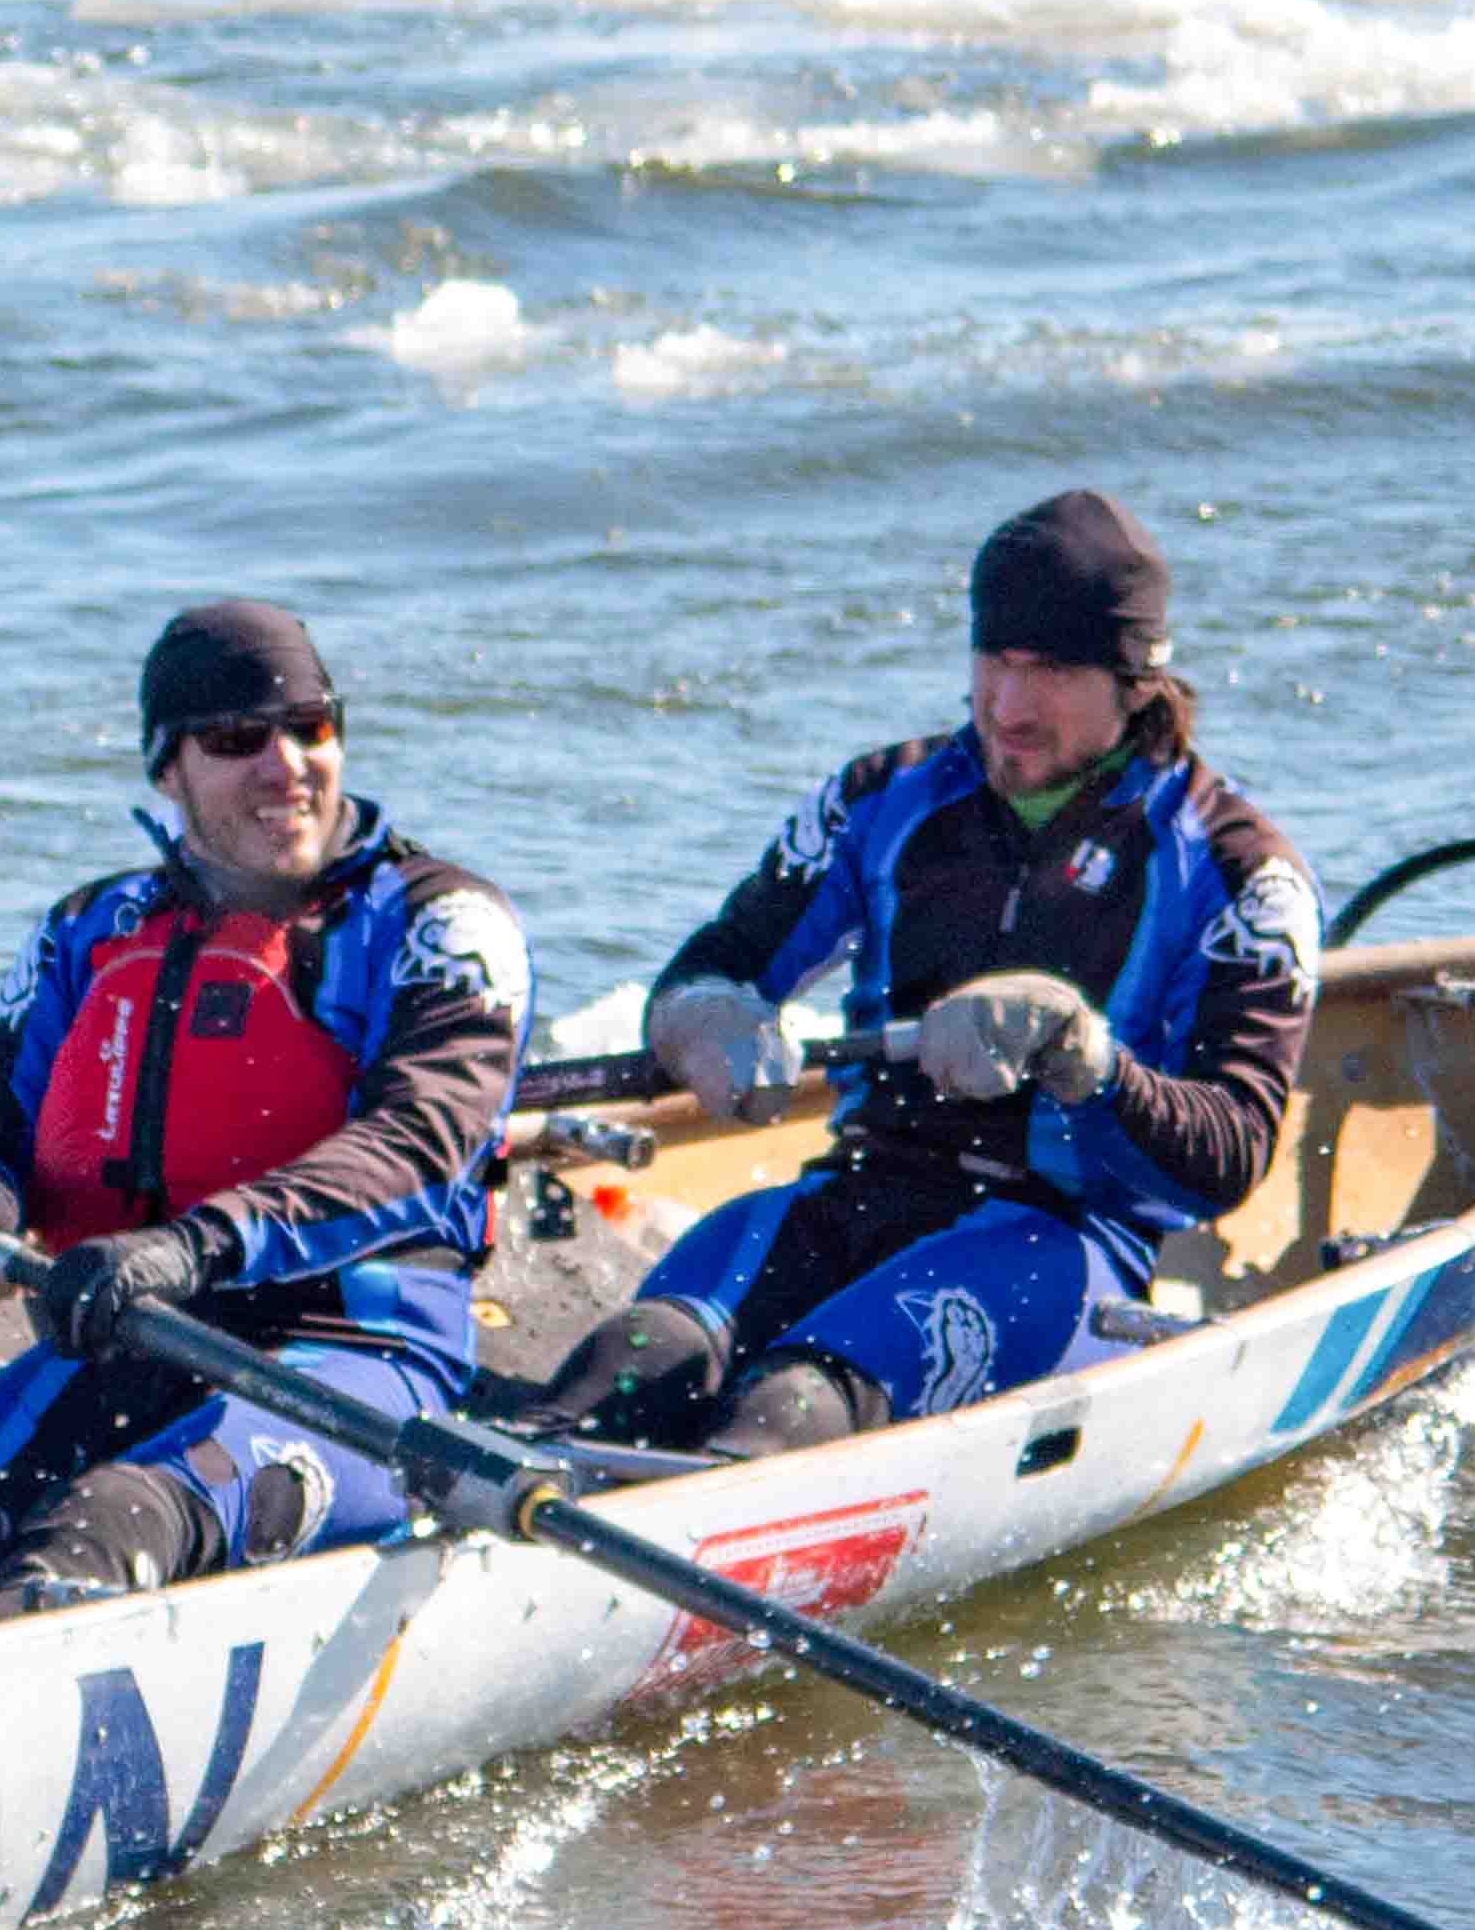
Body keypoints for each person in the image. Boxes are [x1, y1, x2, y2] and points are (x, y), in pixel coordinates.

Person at [0, 602, 522, 1647]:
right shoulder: (88, 930)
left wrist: (194, 1243)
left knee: (105, 1526)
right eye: (239, 740)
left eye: (311, 726)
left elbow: (423, 1139)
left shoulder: (441, 922)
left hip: (357, 1359)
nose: (286, 764)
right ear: (168, 771)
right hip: (119, 1330)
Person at [558, 488, 1317, 1453]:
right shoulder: (882, 800)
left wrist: (1089, 1061)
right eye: (993, 660)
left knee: (787, 1408)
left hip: (1062, 1245)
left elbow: (1230, 1152)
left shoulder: (1239, 872)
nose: (1006, 706)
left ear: (1134, 684)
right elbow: (714, 965)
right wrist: (703, 1017)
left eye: (1048, 670)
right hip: (856, 1189)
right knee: (627, 1363)